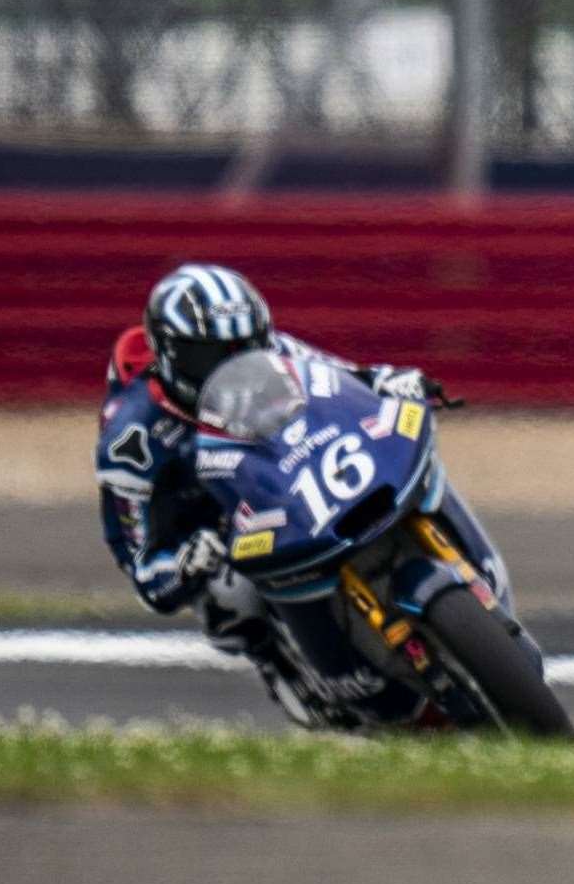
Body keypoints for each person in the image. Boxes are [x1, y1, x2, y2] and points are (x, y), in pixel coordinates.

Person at [95, 262, 439, 725]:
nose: (235, 366)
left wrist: (392, 381)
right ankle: (279, 663)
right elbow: (142, 569)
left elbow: (346, 379)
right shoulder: (131, 438)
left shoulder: (276, 352)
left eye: (247, 349)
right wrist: (183, 562)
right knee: (230, 596)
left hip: (286, 474)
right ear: (170, 355)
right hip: (209, 525)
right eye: (213, 356)